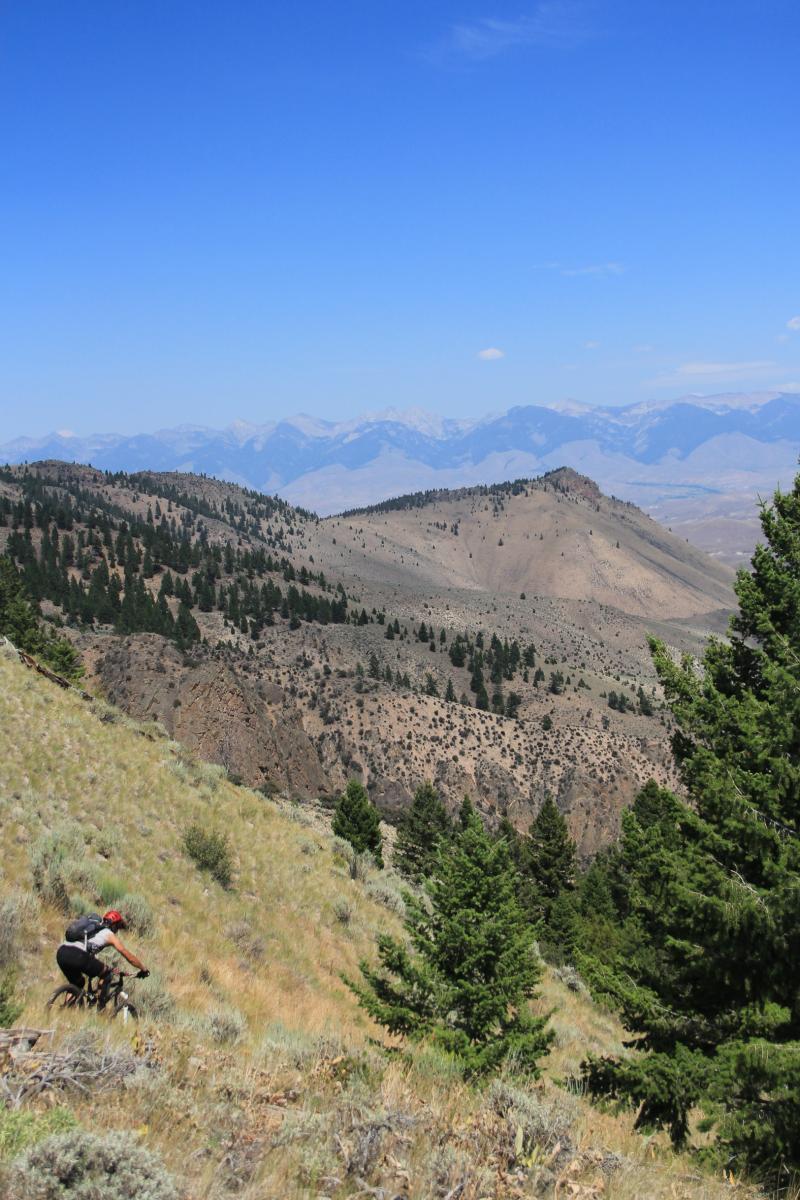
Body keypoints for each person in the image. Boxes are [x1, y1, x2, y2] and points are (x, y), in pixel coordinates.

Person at [56, 909, 149, 1001]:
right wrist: (143, 969)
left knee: (77, 984)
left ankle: (65, 1009)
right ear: (114, 924)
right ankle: (101, 1011)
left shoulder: (93, 929)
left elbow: (87, 949)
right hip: (78, 955)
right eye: (117, 927)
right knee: (107, 974)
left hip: (62, 952)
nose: (116, 931)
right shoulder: (108, 934)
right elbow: (127, 955)